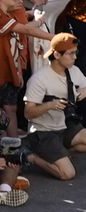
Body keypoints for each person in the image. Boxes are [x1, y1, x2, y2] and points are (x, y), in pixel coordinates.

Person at [24, 34, 86, 182]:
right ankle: (31, 157)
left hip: (65, 126)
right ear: (57, 54)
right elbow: (28, 113)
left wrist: (80, 94)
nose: (75, 57)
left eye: (75, 53)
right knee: (67, 174)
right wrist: (50, 105)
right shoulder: (39, 79)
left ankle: (61, 152)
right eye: (71, 53)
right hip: (44, 132)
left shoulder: (74, 71)